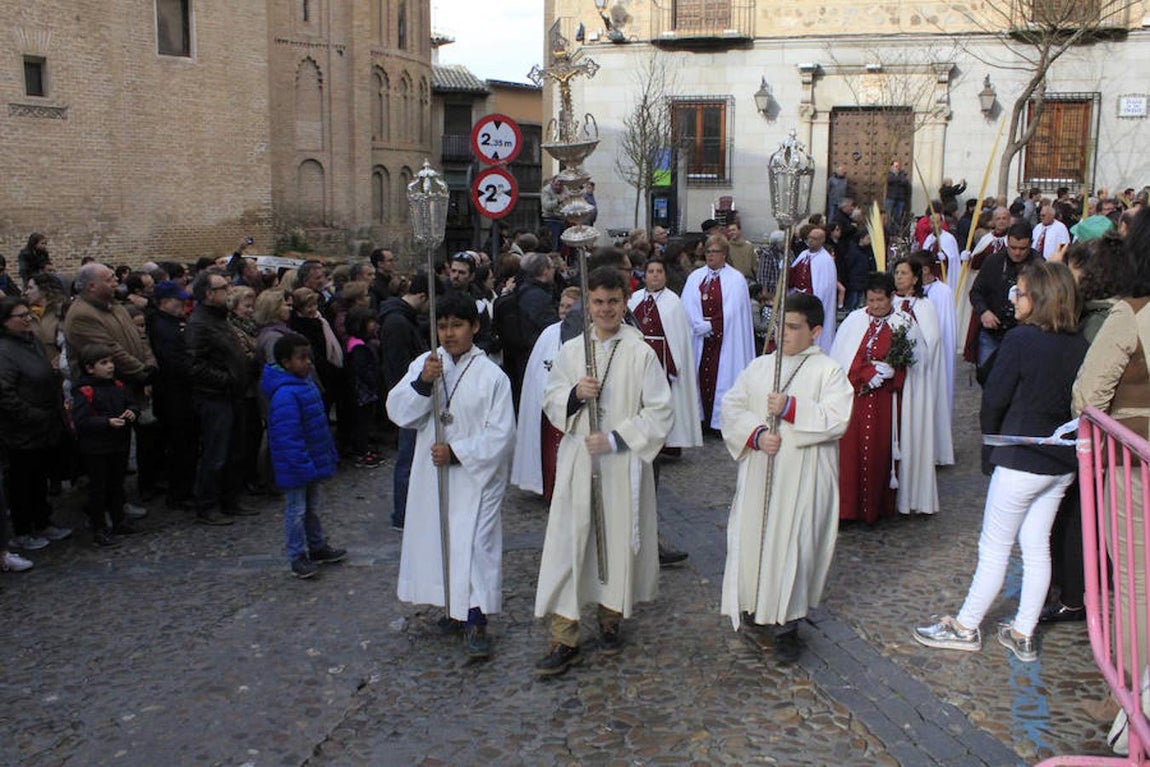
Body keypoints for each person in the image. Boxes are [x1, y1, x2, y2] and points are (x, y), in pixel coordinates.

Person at [915, 261, 1087, 662]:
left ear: (1040, 298)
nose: (1015, 300)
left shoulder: (1021, 339)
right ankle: (1023, 630)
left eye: (1020, 294)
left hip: (1020, 455)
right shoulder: (1079, 343)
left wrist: (990, 440)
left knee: (995, 546)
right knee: (1036, 545)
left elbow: (995, 397)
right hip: (1059, 461)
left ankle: (966, 625)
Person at [533, 267, 674, 676]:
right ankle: (564, 635)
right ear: (588, 305)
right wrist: (575, 396)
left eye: (613, 301)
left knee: (614, 541)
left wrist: (615, 439)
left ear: (625, 303)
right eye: (598, 302)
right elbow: (551, 397)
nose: (606, 309)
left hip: (620, 464)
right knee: (569, 543)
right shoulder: (572, 351)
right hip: (579, 461)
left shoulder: (641, 353)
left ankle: (610, 615)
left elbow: (660, 411)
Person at [719, 293, 853, 663]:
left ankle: (788, 626)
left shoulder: (828, 371)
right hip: (761, 470)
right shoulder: (760, 366)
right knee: (755, 538)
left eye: (793, 327)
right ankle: (754, 605)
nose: (784, 333)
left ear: (816, 331)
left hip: (804, 476)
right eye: (780, 325)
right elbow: (732, 406)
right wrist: (757, 434)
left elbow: (838, 418)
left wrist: (791, 408)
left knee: (794, 544)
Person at [386, 292, 515, 660]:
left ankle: (476, 619)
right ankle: (453, 608)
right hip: (434, 474)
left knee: (475, 546)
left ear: (474, 326)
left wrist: (459, 452)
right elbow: (399, 412)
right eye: (441, 326)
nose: (448, 333)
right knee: (442, 540)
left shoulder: (492, 376)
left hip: (477, 476)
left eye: (457, 325)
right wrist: (423, 383)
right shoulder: (426, 364)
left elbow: (502, 434)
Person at [1071, 207, 1150, 677]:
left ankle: (1130, 691)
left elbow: (1088, 397)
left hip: (1134, 462)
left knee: (1136, 577)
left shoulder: (1130, 314)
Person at [830, 273, 913, 524]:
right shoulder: (854, 321)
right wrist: (865, 373)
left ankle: (876, 509)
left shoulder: (904, 323)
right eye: (871, 300)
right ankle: (848, 510)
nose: (875, 306)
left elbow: (917, 366)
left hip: (887, 402)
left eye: (880, 300)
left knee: (881, 451)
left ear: (891, 298)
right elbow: (841, 360)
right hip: (856, 399)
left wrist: (895, 371)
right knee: (850, 453)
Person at [262, 333, 346, 579]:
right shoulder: (286, 395)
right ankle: (297, 555)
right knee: (297, 511)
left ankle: (317, 545)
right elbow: (287, 436)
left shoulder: (304, 385)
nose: (307, 362)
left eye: (308, 357)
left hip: (310, 460)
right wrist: (301, 463)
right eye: (301, 358)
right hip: (297, 464)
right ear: (286, 362)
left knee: (311, 508)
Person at [0, 297, 71, 549]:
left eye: (28, 314)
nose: (27, 319)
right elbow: (5, 394)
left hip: (43, 424)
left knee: (39, 477)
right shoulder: (4, 351)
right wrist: (31, 414)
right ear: (6, 322)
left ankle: (42, 521)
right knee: (21, 481)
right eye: (21, 316)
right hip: (21, 429)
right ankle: (23, 530)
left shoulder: (31, 341)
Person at [186, 270, 255, 525]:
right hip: (214, 397)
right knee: (216, 454)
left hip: (232, 395)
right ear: (208, 294)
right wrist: (226, 379)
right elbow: (194, 365)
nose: (229, 291)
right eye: (223, 288)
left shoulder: (220, 319)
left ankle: (230, 500)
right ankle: (206, 505)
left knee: (235, 450)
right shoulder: (199, 324)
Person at [681, 235, 755, 432]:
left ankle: (719, 422)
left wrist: (713, 325)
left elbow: (734, 309)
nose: (711, 256)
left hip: (725, 339)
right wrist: (697, 323)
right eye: (708, 252)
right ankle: (700, 418)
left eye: (715, 252)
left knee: (722, 377)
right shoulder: (695, 277)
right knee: (698, 375)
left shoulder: (736, 279)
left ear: (724, 254)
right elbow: (687, 304)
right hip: (699, 338)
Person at [511, 286, 580, 499]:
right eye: (562, 305)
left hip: (572, 406)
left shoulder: (584, 333)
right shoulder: (549, 333)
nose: (564, 310)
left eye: (570, 306)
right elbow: (536, 372)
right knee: (550, 452)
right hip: (548, 408)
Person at [628, 258, 703, 451]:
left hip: (663, 360)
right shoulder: (634, 299)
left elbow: (678, 339)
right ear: (644, 276)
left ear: (665, 275)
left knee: (662, 402)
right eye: (651, 271)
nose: (655, 275)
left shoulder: (673, 302)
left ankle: (667, 443)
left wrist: (672, 364)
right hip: (637, 358)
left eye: (659, 271)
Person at [71, 343, 140, 547]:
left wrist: (132, 412)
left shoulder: (118, 385)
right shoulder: (85, 390)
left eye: (111, 362)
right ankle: (99, 528)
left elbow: (131, 403)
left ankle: (119, 520)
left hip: (118, 444)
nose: (110, 366)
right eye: (104, 363)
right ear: (90, 368)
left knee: (116, 485)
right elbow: (82, 420)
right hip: (96, 448)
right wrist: (106, 422)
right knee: (98, 489)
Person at [380, 273, 432, 531]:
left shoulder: (403, 319)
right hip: (409, 397)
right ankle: (402, 514)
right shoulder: (398, 322)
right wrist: (413, 395)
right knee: (408, 459)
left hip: (412, 395)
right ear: (422, 296)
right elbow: (399, 367)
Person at [968, 219, 1041, 380]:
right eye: (1013, 248)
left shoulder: (1039, 265)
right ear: (1007, 242)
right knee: (986, 376)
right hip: (993, 332)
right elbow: (976, 292)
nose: (1017, 253)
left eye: (1022, 248)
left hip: (1024, 334)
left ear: (1030, 244)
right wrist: (984, 312)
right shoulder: (993, 262)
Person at [149, 279, 197, 509]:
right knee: (181, 445)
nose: (182, 304)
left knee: (183, 445)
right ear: (165, 302)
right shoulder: (164, 328)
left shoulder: (169, 323)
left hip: (176, 393)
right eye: (178, 300)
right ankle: (180, 494)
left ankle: (182, 489)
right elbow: (175, 363)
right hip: (175, 395)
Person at [913, 251, 958, 422]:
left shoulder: (943, 292)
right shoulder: (911, 291)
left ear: (925, 270)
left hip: (936, 352)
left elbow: (945, 327)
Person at [787, 227, 838, 353]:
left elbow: (825, 287)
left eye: (814, 239)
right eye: (809, 238)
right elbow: (793, 273)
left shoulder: (825, 260)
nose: (810, 241)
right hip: (797, 298)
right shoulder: (803, 254)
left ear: (821, 241)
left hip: (810, 302)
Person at [343, 306, 382, 468]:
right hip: (361, 393)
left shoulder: (359, 343)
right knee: (362, 423)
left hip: (361, 391)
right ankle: (361, 452)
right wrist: (374, 381)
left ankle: (364, 448)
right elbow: (363, 371)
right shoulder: (358, 347)